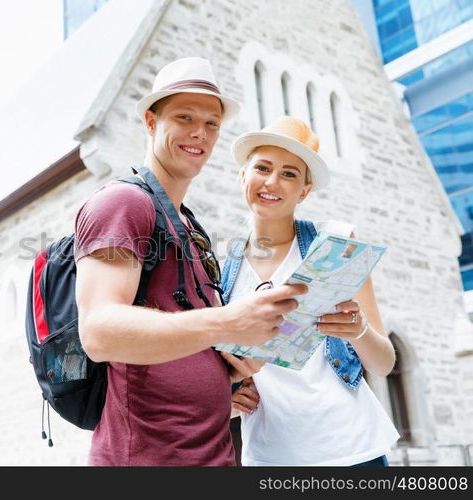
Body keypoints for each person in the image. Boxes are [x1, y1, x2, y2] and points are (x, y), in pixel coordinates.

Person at [74, 58, 308, 466]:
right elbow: (98, 331)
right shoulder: (123, 203)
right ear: (151, 121)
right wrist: (230, 322)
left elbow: (177, 339)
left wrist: (228, 375)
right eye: (184, 117)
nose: (200, 133)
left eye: (212, 123)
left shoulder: (188, 225)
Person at [224, 116, 400, 466]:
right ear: (243, 175)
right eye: (262, 167)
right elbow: (208, 366)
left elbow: (384, 363)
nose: (272, 181)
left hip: (353, 448)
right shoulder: (221, 266)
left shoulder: (334, 242)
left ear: (304, 190)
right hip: (270, 456)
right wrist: (222, 401)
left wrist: (359, 330)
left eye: (289, 173)